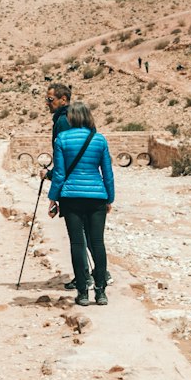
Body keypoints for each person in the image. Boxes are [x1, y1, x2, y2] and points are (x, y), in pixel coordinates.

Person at [48, 102, 114, 307]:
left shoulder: (62, 139)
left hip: (71, 197)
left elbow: (59, 173)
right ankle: (101, 292)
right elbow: (108, 173)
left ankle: (83, 292)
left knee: (77, 244)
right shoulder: (99, 139)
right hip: (97, 197)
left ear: (72, 118)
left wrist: (53, 198)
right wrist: (109, 198)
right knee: (98, 243)